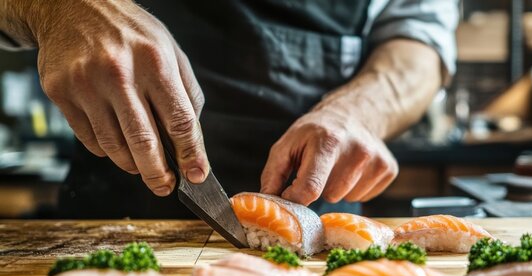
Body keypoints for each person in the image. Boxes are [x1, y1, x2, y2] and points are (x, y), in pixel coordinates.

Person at [0, 0, 457, 218]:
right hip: (111, 212)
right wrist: (59, 9)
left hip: (320, 220)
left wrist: (358, 110)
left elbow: (421, 38)